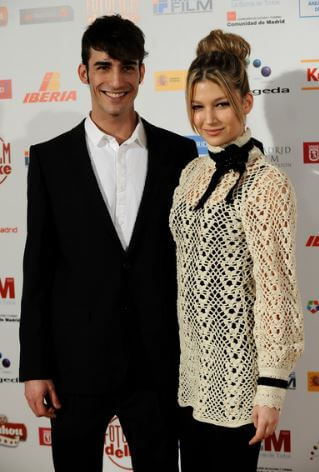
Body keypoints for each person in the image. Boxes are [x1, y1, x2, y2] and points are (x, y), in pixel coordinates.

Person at [19, 15, 197, 472]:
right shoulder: (49, 159)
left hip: (158, 365)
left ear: (141, 71)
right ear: (84, 73)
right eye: (103, 67)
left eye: (126, 66)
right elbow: (38, 267)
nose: (115, 81)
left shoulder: (179, 154)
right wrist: (35, 367)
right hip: (75, 367)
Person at [169, 30, 304, 471]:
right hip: (190, 381)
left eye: (221, 104)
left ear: (246, 103)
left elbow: (276, 293)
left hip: (240, 386)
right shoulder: (190, 174)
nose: (208, 118)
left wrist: (270, 390)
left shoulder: (268, 184)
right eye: (197, 106)